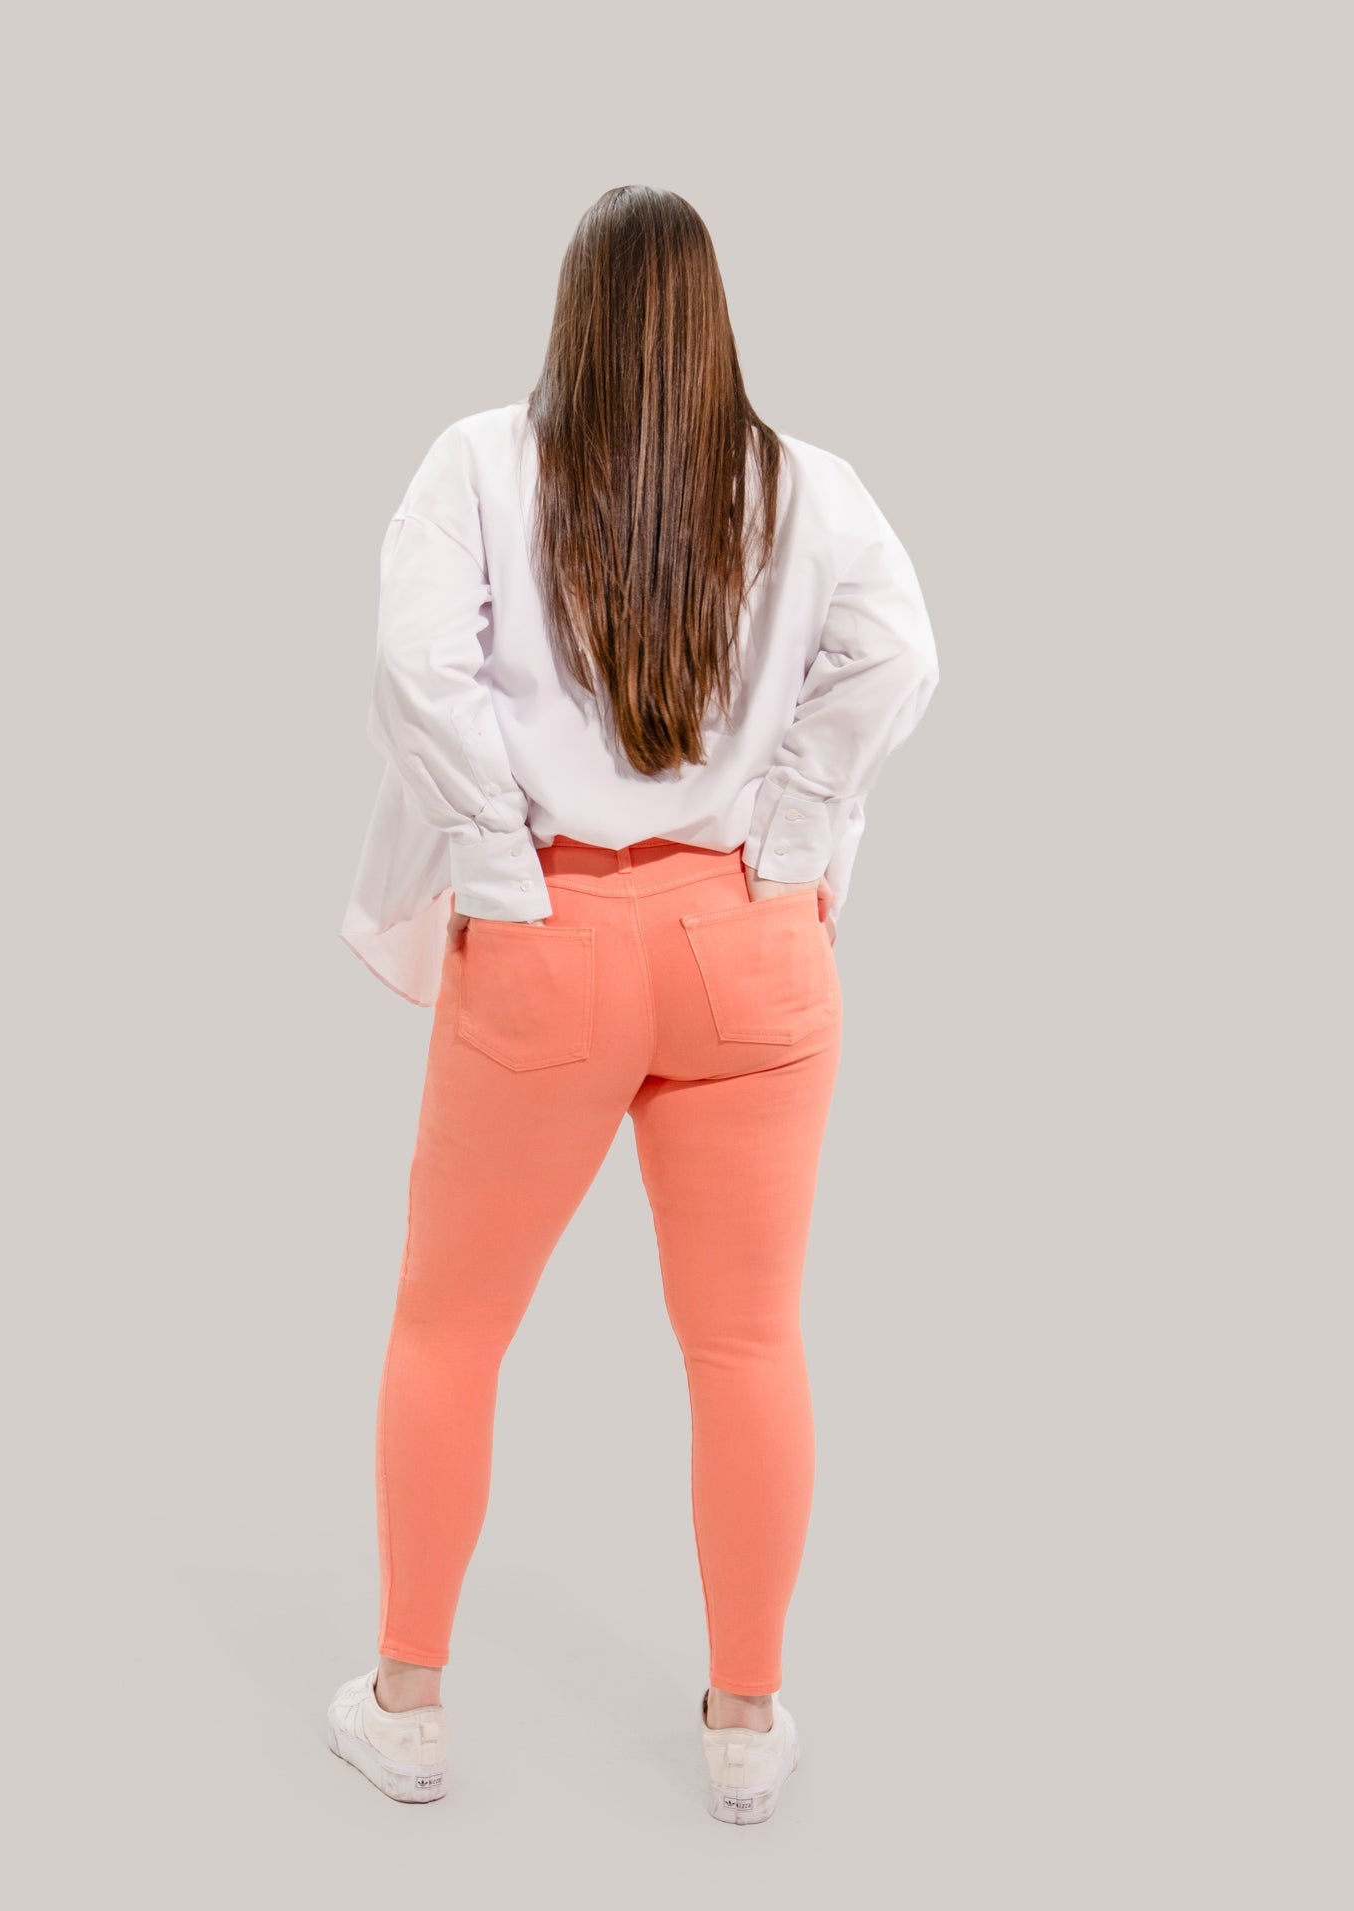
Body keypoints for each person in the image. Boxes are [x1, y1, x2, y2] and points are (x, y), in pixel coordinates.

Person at [327, 184, 939, 1823]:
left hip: (553, 939)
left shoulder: (477, 464)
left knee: (449, 1329)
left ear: (576, 313)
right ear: (713, 321)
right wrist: (792, 839)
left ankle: (407, 1708)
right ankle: (746, 1725)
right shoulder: (809, 487)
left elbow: (413, 668)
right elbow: (901, 656)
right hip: (754, 946)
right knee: (747, 1339)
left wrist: (497, 865)